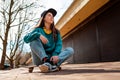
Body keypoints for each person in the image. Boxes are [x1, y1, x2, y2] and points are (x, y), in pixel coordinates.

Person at [24, 8, 74, 73]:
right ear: (44, 18)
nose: (52, 17)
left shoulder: (56, 32)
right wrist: (38, 35)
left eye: (52, 16)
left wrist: (55, 54)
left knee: (70, 50)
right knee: (33, 41)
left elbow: (59, 44)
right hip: (40, 59)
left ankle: (49, 65)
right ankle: (51, 64)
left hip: (52, 58)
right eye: (49, 15)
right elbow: (25, 39)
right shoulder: (37, 30)